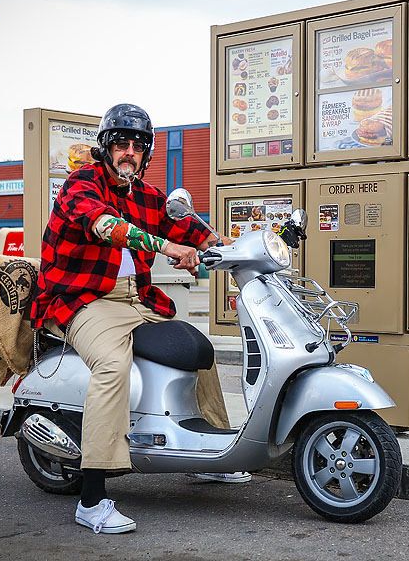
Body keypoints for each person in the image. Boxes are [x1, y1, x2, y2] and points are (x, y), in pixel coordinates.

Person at [30, 103, 248, 535]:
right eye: (120, 143)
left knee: (195, 348)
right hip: (84, 299)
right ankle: (92, 499)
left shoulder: (148, 197)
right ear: (106, 147)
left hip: (138, 299)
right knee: (113, 366)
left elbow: (191, 230)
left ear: (146, 153)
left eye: (137, 145)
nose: (128, 151)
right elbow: (106, 226)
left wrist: (235, 248)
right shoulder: (81, 185)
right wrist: (168, 250)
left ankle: (211, 453)